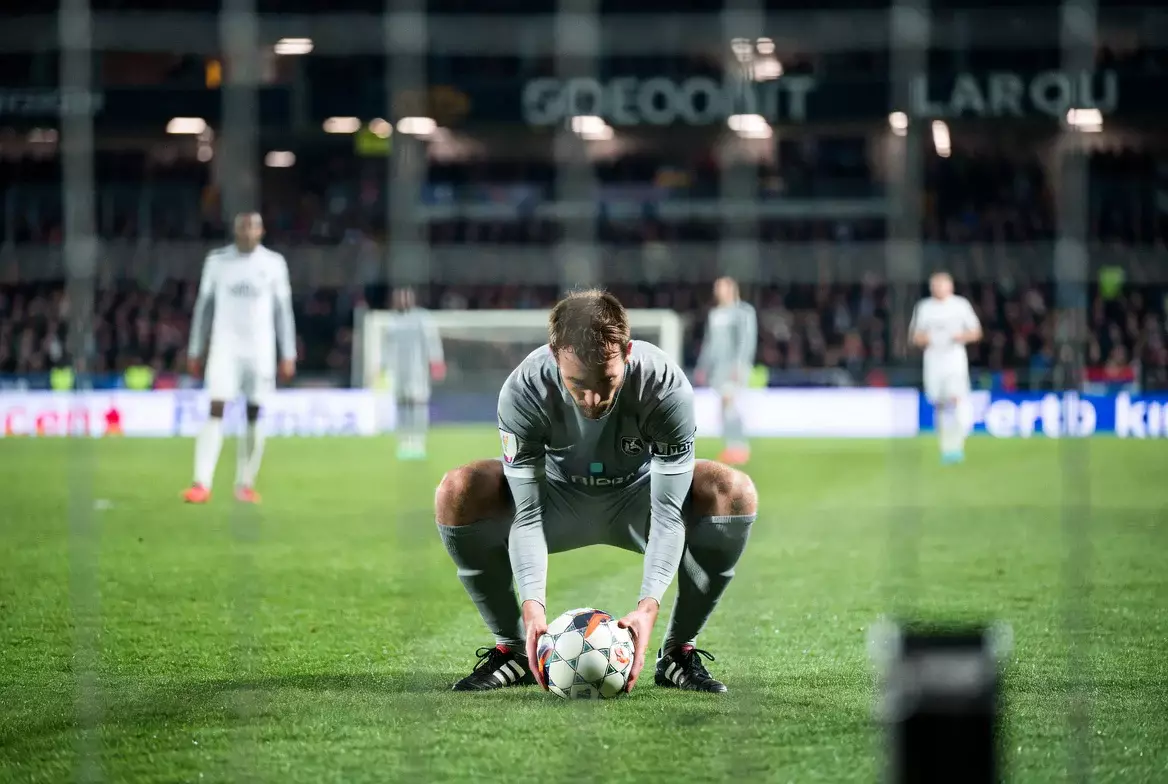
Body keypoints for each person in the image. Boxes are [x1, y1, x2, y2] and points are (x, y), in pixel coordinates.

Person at [435, 289, 758, 694]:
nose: (593, 399)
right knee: (457, 488)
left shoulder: (665, 385)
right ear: (555, 356)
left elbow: (668, 513)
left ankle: (677, 653)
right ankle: (514, 649)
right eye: (576, 383)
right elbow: (528, 515)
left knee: (734, 491)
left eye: (606, 381)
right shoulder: (523, 389)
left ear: (627, 351)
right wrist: (533, 609)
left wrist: (647, 608)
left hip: (638, 502)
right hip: (557, 503)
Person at [182, 212, 297, 503]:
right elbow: (203, 307)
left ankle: (245, 483)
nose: (247, 231)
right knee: (216, 407)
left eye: (253, 226)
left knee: (255, 413)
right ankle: (201, 483)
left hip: (260, 352)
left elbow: (283, 311)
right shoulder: (217, 261)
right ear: (235, 230)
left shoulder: (273, 264)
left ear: (262, 230)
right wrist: (196, 348)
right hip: (225, 349)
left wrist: (289, 353)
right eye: (243, 226)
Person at [909, 272, 982, 464]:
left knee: (957, 399)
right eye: (935, 285)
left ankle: (959, 442)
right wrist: (929, 339)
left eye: (942, 284)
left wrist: (961, 336)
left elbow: (976, 332)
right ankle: (946, 447)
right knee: (939, 403)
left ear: (950, 286)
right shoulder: (924, 307)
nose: (938, 288)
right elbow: (915, 336)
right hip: (933, 359)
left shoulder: (960, 305)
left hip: (954, 358)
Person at [694, 277, 757, 465]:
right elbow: (708, 344)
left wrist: (740, 365)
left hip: (733, 368)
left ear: (731, 289)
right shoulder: (715, 314)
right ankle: (732, 446)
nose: (717, 291)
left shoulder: (743, 312)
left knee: (730, 406)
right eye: (716, 287)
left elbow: (746, 341)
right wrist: (702, 367)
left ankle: (739, 446)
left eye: (720, 287)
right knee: (724, 408)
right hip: (718, 370)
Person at [383, 286, 445, 460]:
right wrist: (383, 367)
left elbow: (432, 342)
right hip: (398, 371)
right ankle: (404, 441)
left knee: (418, 405)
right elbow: (386, 347)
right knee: (401, 405)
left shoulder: (422, 318)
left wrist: (437, 362)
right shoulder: (392, 320)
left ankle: (418, 442)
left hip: (418, 370)